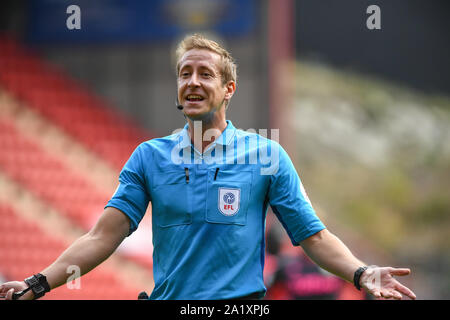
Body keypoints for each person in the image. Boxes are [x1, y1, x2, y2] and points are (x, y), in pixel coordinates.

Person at [0, 34, 416, 300]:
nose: (193, 82)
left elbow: (314, 237)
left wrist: (362, 274)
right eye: (185, 74)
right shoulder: (149, 156)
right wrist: (39, 284)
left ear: (228, 89)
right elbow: (101, 237)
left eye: (205, 74)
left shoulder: (266, 156)